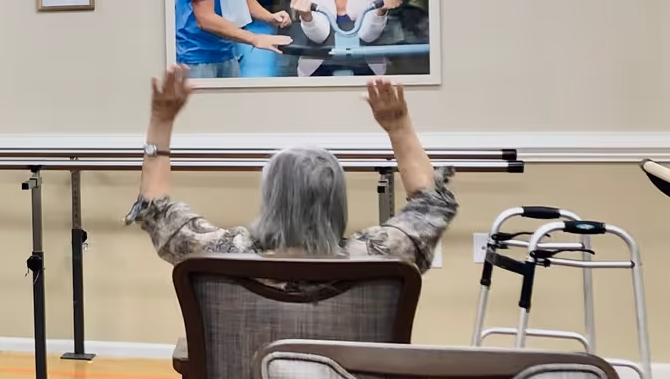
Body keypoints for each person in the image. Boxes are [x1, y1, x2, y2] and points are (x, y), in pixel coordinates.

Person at [128, 67, 455, 269]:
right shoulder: (379, 257)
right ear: (336, 200)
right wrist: (399, 128)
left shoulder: (220, 254)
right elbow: (430, 205)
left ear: (270, 197)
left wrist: (161, 120)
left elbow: (156, 208)